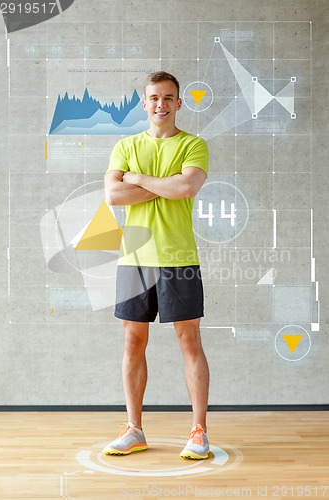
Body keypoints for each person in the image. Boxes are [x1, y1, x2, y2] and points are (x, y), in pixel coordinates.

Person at [103, 71, 210, 460]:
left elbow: (185, 188)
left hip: (179, 258)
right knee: (133, 341)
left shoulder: (193, 145)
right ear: (144, 103)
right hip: (134, 259)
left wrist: (139, 179)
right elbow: (114, 195)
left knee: (189, 341)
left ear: (179, 103)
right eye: (154, 98)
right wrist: (161, 184)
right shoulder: (126, 144)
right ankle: (134, 429)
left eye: (168, 98)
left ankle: (198, 431)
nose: (161, 104)